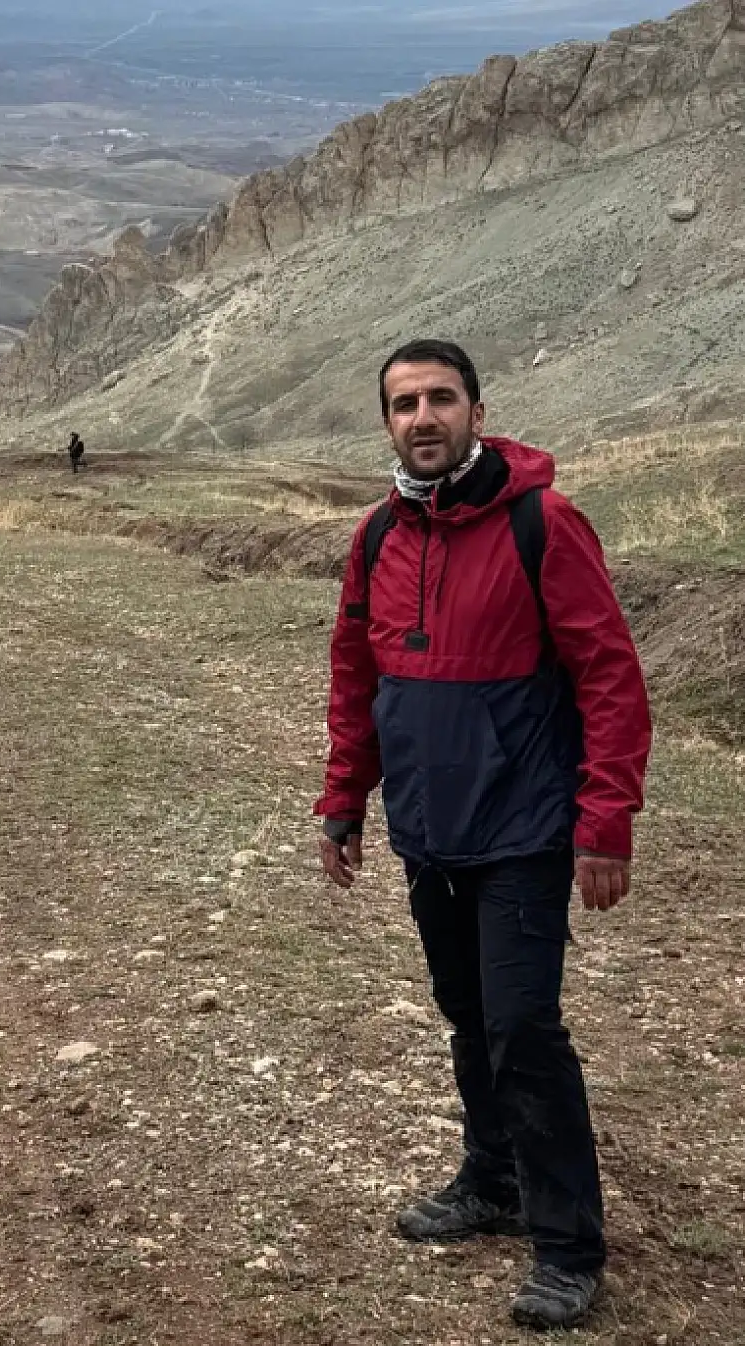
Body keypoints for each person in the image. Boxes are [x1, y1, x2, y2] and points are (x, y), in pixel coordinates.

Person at [316, 340, 652, 1332]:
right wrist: (342, 799)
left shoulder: (541, 523)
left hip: (521, 826)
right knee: (467, 1012)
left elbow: (608, 677)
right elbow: (354, 682)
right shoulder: (377, 537)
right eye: (401, 403)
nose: (420, 417)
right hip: (428, 825)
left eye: (438, 398)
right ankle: (490, 1177)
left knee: (519, 1025)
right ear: (384, 421)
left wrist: (604, 822)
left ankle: (566, 1243)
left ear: (474, 407)